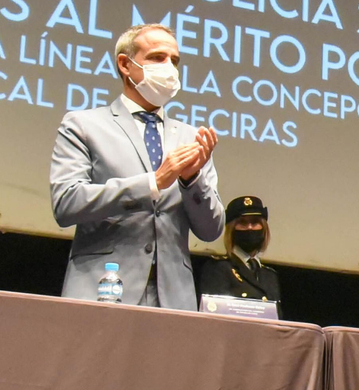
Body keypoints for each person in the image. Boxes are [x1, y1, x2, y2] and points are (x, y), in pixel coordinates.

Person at [50, 24, 223, 309]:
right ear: (125, 64)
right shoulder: (83, 125)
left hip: (173, 300)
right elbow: (67, 203)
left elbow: (211, 230)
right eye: (157, 58)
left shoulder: (192, 138)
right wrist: (153, 183)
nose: (169, 68)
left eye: (174, 60)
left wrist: (192, 181)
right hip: (101, 290)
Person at [199, 195, 282, 314]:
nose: (249, 228)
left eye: (255, 222)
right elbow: (214, 315)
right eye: (242, 223)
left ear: (264, 228)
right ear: (232, 229)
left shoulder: (270, 275)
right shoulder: (218, 269)